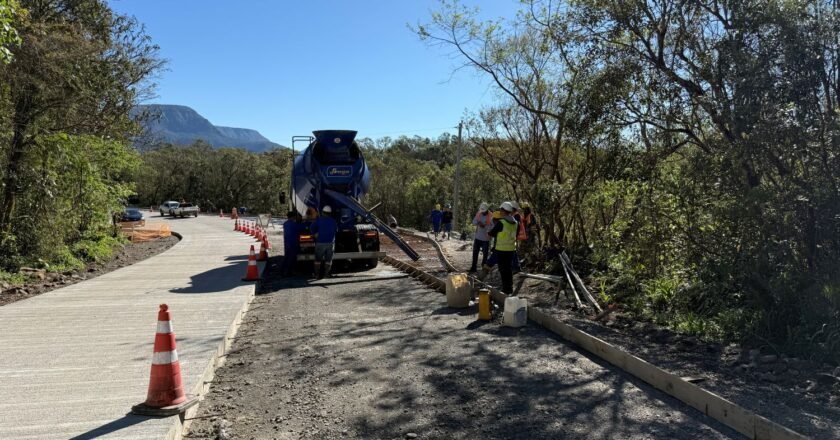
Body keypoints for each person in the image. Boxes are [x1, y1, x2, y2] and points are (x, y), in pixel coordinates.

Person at [488, 202, 518, 295]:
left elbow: (492, 233)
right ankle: (509, 288)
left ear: (503, 211)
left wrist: (489, 232)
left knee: (503, 269)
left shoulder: (502, 222)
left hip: (501, 249)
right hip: (511, 249)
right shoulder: (516, 223)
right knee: (508, 269)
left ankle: (505, 289)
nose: (500, 211)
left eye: (501, 210)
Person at [310, 205, 338, 279]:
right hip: (330, 243)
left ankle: (316, 275)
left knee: (317, 260)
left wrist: (314, 234)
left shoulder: (318, 220)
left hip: (320, 243)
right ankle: (326, 275)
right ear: (330, 213)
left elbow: (311, 228)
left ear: (322, 212)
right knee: (328, 260)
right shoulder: (333, 221)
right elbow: (336, 230)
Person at [469, 203, 492, 272]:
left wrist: (485, 226)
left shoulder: (491, 215)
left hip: (486, 238)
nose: (483, 212)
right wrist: (478, 223)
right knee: (475, 253)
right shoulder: (479, 213)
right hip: (478, 237)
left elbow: (493, 226)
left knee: (485, 255)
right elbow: (473, 222)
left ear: (487, 210)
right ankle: (473, 268)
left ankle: (483, 268)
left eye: (484, 211)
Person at [279, 210, 300, 277]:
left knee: (287, 257)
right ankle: (287, 272)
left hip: (287, 243)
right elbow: (301, 227)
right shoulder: (294, 224)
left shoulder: (285, 224)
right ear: (293, 217)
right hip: (293, 243)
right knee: (291, 258)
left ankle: (283, 271)